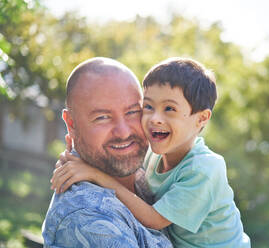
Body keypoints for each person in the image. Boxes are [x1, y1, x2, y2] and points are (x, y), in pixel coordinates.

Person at [51, 57, 251, 248]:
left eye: (169, 109)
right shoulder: (88, 217)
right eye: (148, 107)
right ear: (71, 123)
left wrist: (95, 174)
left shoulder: (204, 168)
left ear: (201, 119)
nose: (155, 118)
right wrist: (74, 157)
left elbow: (154, 220)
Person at [42, 57, 173, 248]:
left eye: (133, 112)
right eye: (102, 117)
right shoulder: (88, 216)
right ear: (71, 123)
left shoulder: (150, 172)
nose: (124, 132)